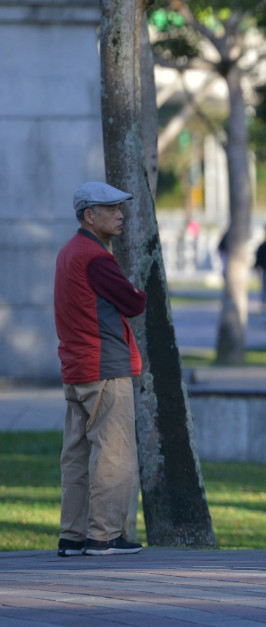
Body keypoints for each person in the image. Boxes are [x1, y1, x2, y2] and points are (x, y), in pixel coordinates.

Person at [54, 182, 148, 557]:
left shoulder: (67, 252)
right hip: (105, 367)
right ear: (89, 216)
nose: (120, 214)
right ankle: (104, 535)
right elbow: (133, 302)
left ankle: (72, 536)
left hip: (76, 369)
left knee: (76, 457)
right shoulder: (95, 257)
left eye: (120, 208)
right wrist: (140, 291)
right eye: (110, 209)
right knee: (114, 453)